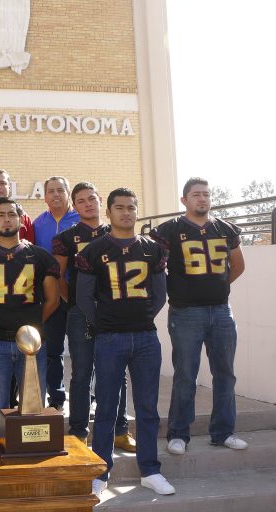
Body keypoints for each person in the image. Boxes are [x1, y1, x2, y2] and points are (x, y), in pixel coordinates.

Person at [75, 187, 174, 497]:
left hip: (145, 337)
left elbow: (159, 296)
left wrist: (140, 317)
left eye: (131, 207)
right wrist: (106, 324)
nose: (127, 212)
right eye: (120, 207)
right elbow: (83, 298)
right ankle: (101, 471)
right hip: (110, 338)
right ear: (109, 212)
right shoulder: (92, 251)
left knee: (147, 407)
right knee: (106, 407)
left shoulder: (153, 249)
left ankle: (150, 470)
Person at [149, 177, 246, 456]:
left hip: (221, 311)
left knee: (225, 374)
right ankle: (178, 434)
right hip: (185, 312)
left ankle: (224, 432)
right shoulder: (169, 230)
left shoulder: (225, 228)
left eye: (206, 194)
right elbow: (156, 267)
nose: (202, 199)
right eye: (195, 194)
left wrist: (216, 287)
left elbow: (237, 265)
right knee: (185, 375)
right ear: (184, 200)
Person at [0, 197, 60, 439]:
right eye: (1, 215)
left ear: (20, 219)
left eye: (11, 214)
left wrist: (34, 328)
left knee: (32, 406)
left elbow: (53, 300)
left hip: (31, 345)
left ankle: (29, 457)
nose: (6, 219)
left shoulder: (40, 256)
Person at [52, 182, 136, 451]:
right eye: (80, 201)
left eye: (91, 199)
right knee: (82, 372)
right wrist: (75, 302)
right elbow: (58, 276)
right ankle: (78, 431)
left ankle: (120, 430)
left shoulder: (117, 233)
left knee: (116, 373)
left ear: (101, 200)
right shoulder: (66, 237)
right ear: (74, 207)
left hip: (115, 311)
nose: (87, 204)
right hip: (80, 313)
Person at [33, 176, 79, 412]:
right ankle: (57, 396)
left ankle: (86, 397)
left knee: (83, 351)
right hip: (51, 297)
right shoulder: (38, 224)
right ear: (45, 196)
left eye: (60, 190)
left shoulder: (80, 220)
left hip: (79, 296)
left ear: (68, 193)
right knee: (53, 351)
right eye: (51, 191)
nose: (56, 195)